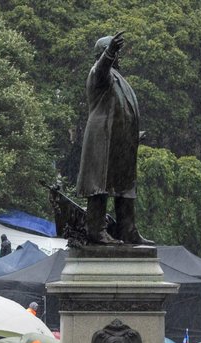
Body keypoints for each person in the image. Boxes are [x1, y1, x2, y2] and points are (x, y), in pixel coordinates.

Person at [77, 32, 151, 245]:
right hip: (103, 138)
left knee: (125, 187)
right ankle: (96, 230)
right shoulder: (98, 73)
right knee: (100, 185)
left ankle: (128, 230)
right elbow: (102, 69)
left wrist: (131, 134)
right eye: (113, 52)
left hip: (121, 142)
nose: (118, 56)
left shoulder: (121, 79)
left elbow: (122, 109)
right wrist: (110, 52)